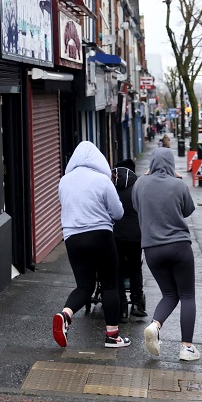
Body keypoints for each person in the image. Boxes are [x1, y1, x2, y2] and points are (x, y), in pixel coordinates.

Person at [53, 141, 130, 349]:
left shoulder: (64, 181)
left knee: (84, 286)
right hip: (100, 236)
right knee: (110, 284)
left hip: (72, 239)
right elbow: (118, 213)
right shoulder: (102, 181)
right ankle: (113, 337)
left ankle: (65, 314)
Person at [133, 147, 199, 362]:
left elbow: (137, 207)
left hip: (152, 249)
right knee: (187, 296)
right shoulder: (178, 185)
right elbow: (188, 210)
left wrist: (146, 178)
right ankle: (186, 348)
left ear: (151, 164)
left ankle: (155, 325)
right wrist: (177, 179)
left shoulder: (140, 184)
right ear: (171, 164)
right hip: (179, 247)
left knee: (169, 294)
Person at [112, 159, 146, 319]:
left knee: (118, 269)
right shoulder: (139, 187)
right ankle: (137, 304)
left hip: (116, 235)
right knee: (135, 268)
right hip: (136, 235)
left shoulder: (112, 187)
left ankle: (122, 308)